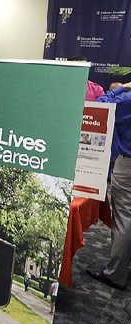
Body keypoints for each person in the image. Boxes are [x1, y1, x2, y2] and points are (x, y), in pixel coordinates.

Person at [89, 81, 131, 289]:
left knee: (124, 217)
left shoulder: (127, 99)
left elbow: (101, 105)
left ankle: (116, 273)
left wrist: (122, 88)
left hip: (128, 162)